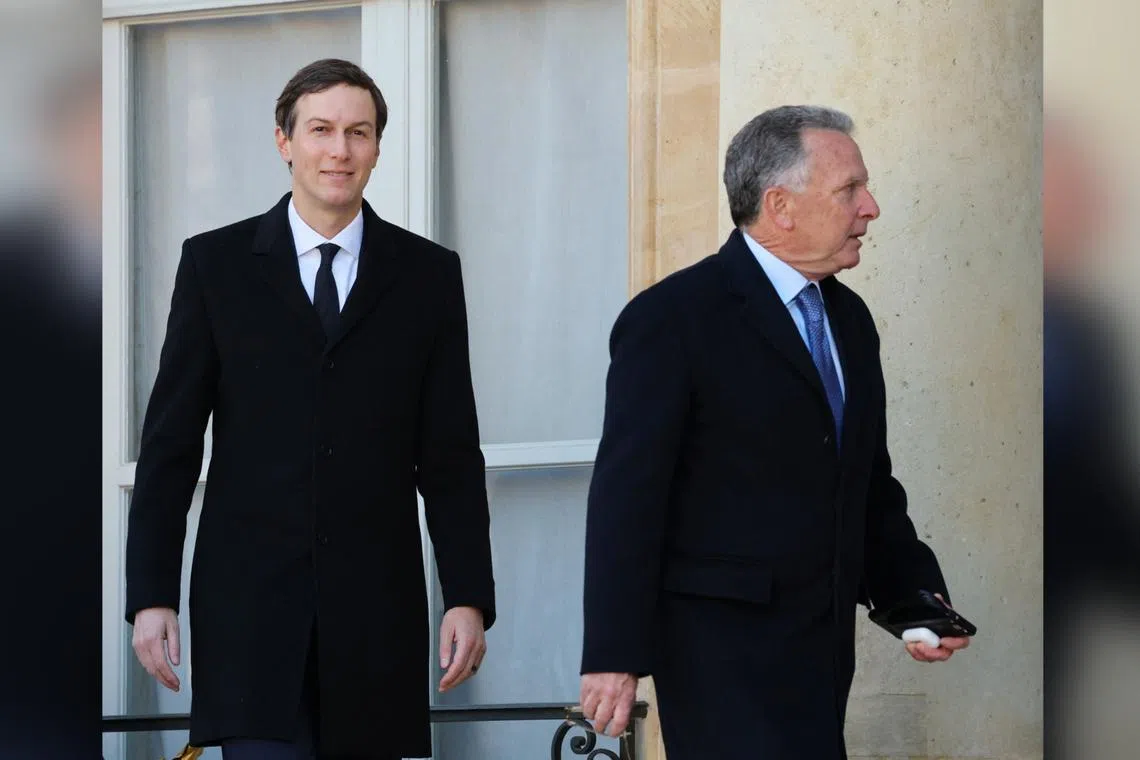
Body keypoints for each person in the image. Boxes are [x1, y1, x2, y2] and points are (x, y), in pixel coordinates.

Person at [125, 58, 494, 760]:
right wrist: (151, 595)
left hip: (375, 614)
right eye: (320, 129)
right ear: (283, 141)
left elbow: (449, 454)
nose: (340, 149)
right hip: (250, 615)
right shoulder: (216, 266)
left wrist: (468, 596)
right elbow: (170, 444)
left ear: (378, 148)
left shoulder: (427, 276)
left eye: (358, 132)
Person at [579, 105, 969, 759]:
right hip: (719, 661)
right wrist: (615, 654)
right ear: (781, 206)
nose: (869, 207)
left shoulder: (850, 321)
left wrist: (914, 601)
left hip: (819, 660)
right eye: (850, 190)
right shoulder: (673, 320)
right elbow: (627, 498)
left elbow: (867, 483)